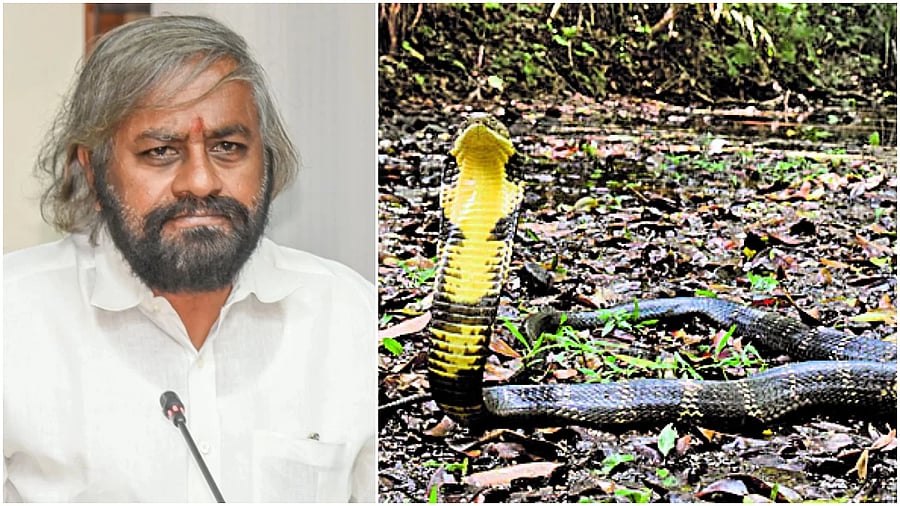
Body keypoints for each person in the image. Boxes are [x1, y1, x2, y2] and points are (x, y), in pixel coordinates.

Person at [3, 15, 375, 502]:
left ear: (267, 161)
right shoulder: (14, 320)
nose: (200, 182)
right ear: (92, 173)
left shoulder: (351, 318)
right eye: (160, 151)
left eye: (227, 147)